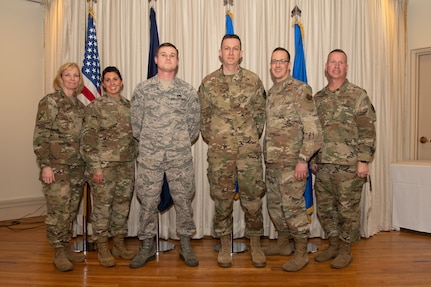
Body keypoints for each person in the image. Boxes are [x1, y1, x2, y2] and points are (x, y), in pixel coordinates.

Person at [129, 43, 201, 268]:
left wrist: (176, 142)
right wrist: (154, 143)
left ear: (177, 61)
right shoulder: (142, 90)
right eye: (164, 55)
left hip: (179, 157)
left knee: (183, 201)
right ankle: (147, 245)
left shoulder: (188, 91)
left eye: (172, 55)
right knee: (148, 202)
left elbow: (194, 127)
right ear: (156, 59)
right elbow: (136, 126)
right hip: (150, 157)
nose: (168, 58)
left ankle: (186, 244)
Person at [198, 34, 267, 268]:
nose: (230, 52)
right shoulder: (208, 83)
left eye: (235, 48)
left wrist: (248, 138)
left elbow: (260, 115)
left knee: (253, 200)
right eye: (226, 48)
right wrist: (218, 139)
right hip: (220, 154)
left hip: (248, 153)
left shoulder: (253, 81)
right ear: (220, 52)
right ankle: (225, 243)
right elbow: (204, 118)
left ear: (241, 52)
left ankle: (255, 243)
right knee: (222, 200)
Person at [311, 49, 376, 269]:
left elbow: (367, 130)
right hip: (323, 166)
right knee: (326, 209)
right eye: (332, 62)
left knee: (347, 210)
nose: (336, 66)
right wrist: (312, 159)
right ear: (326, 66)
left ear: (346, 68)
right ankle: (333, 245)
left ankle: (346, 250)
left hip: (349, 166)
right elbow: (313, 132)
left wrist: (364, 160)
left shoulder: (358, 95)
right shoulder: (318, 98)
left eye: (341, 63)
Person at [264, 47, 322, 272]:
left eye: (282, 61)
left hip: (292, 164)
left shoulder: (300, 90)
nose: (277, 65)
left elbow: (314, 131)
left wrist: (303, 160)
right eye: (274, 61)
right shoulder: (271, 92)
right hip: (273, 163)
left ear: (289, 65)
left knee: (293, 209)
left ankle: (300, 252)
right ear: (270, 65)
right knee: (276, 208)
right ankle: (282, 244)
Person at [80, 66, 137, 267]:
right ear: (103, 84)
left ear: (121, 82)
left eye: (115, 79)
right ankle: (103, 247)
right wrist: (95, 167)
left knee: (122, 206)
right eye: (108, 80)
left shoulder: (129, 106)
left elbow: (135, 138)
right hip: (104, 167)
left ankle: (119, 244)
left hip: (126, 166)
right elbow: (88, 140)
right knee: (103, 208)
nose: (112, 83)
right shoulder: (95, 107)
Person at [33, 62, 87, 272]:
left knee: (71, 209)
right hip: (56, 166)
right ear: (60, 77)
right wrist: (45, 164)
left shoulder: (80, 106)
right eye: (68, 75)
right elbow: (41, 135)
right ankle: (57, 251)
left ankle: (66, 248)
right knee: (58, 211)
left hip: (76, 167)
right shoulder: (50, 102)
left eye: (75, 76)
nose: (72, 79)